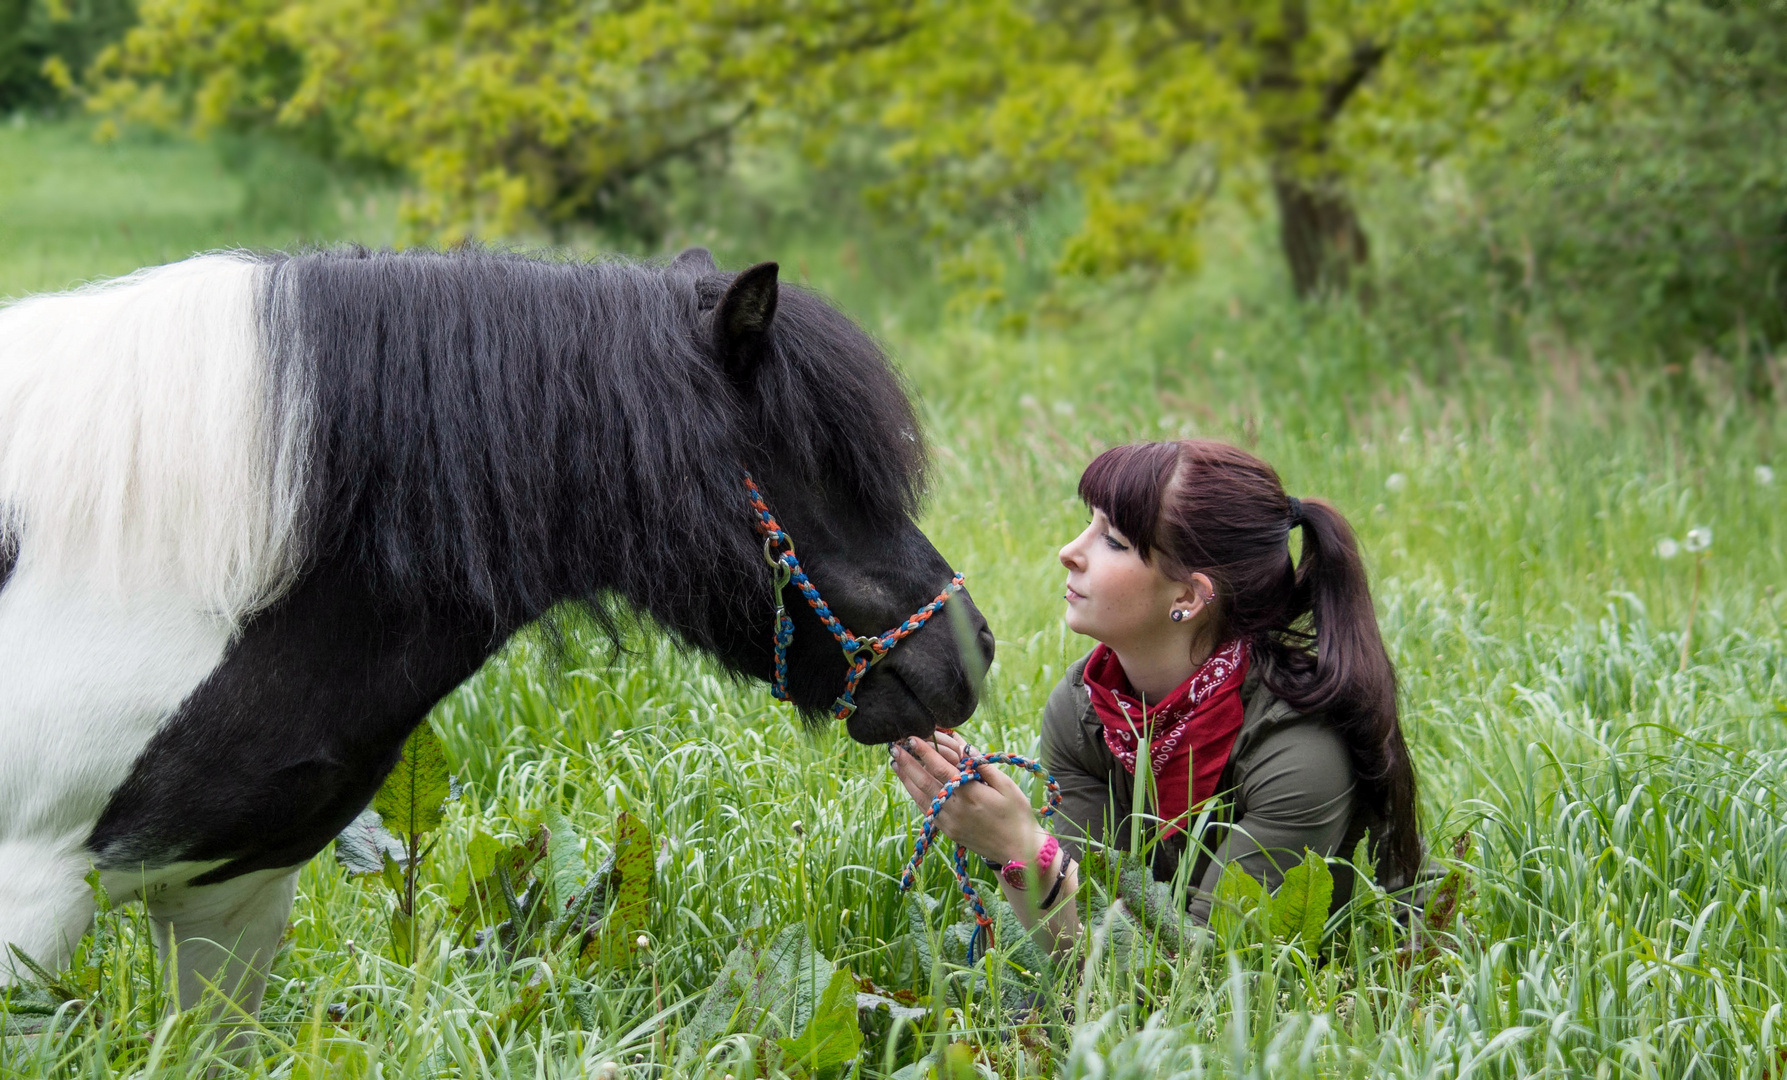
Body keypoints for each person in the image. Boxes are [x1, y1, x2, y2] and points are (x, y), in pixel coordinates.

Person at [890, 439, 1425, 947]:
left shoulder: (1298, 751)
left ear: (1189, 596)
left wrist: (1022, 850)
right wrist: (1014, 848)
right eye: (1088, 524)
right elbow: (1094, 933)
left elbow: (1197, 987)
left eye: (1114, 540)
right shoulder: (1086, 710)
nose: (1069, 552)